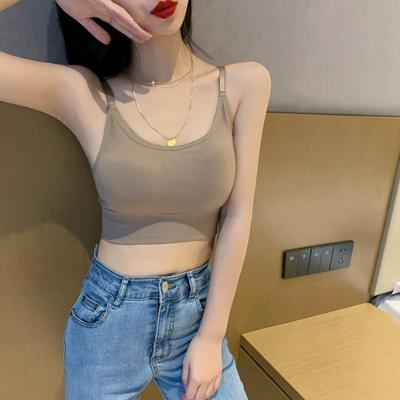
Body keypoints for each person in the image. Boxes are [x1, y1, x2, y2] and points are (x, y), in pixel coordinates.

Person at [0, 0, 271, 399]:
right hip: (109, 324)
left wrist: (211, 336)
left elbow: (238, 215)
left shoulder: (245, 84)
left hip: (198, 318)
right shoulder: (84, 94)